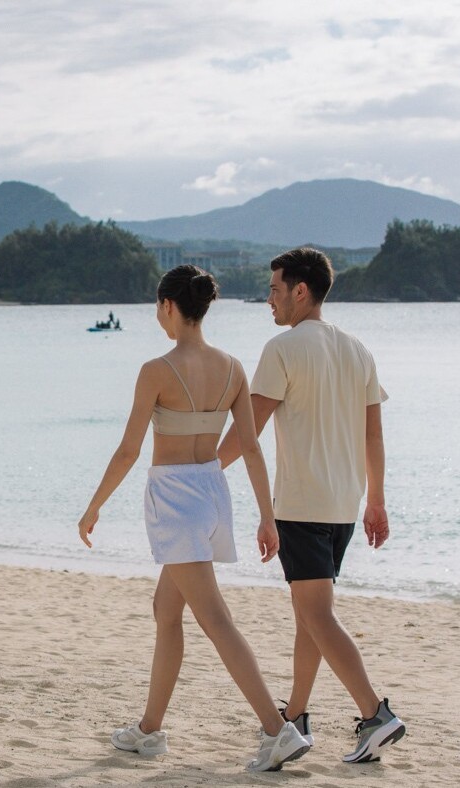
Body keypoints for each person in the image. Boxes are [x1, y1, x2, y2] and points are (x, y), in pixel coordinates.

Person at [78, 264, 312, 772]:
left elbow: (128, 450)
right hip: (212, 495)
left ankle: (278, 732)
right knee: (166, 609)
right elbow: (251, 448)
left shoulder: (156, 370)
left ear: (168, 306)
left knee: (215, 619)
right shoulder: (232, 368)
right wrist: (266, 516)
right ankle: (149, 730)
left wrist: (94, 506)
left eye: (157, 308)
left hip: (175, 501)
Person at [217, 247, 406, 764]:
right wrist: (376, 500)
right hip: (343, 507)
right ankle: (296, 718)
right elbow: (373, 435)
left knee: (317, 615)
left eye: (274, 289)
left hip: (301, 507)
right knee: (309, 616)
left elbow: (250, 428)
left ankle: (375, 714)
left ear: (301, 291)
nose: (269, 300)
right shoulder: (358, 350)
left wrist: (205, 472)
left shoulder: (282, 348)